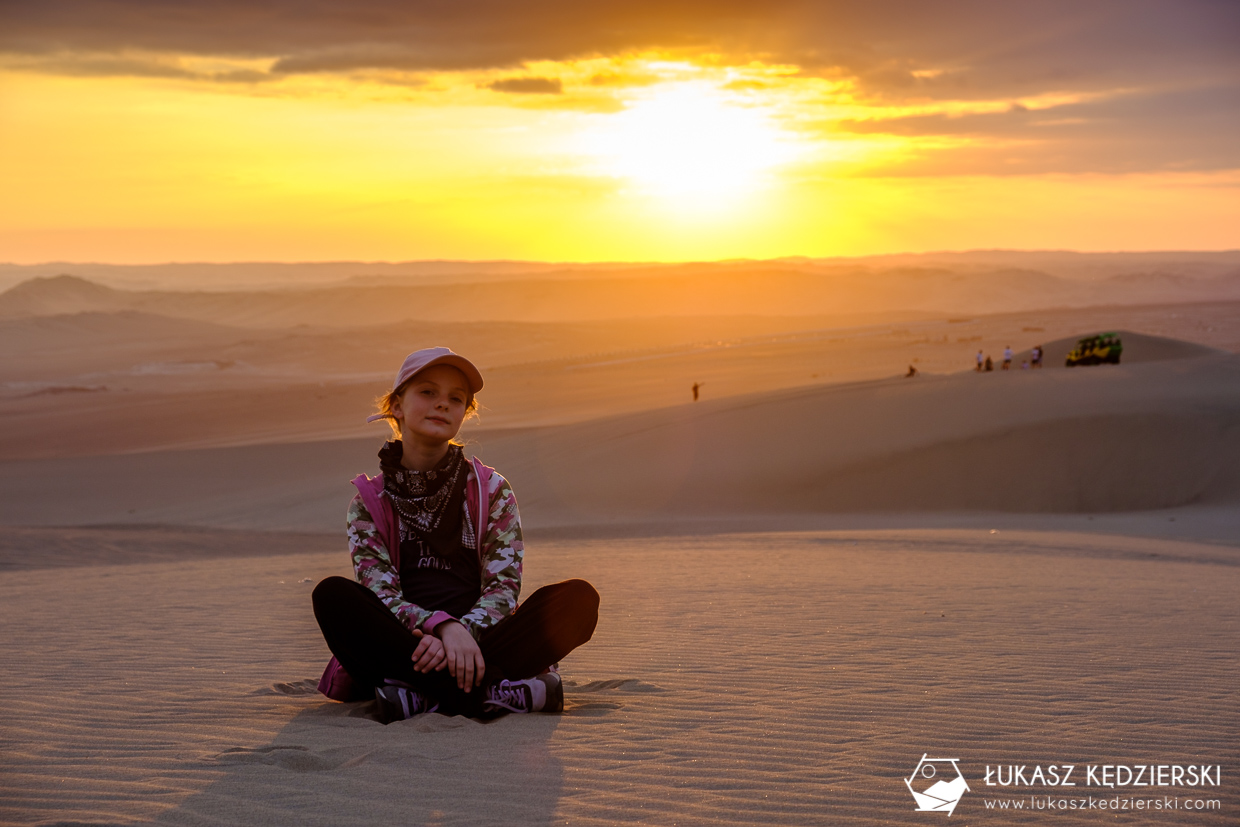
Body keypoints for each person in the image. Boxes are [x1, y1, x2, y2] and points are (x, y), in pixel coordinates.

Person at [312, 347, 599, 722]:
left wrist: (465, 631)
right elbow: (383, 597)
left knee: (577, 599)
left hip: (484, 641)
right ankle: (497, 693)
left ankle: (422, 698)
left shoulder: (491, 489)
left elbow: (503, 588)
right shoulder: (369, 502)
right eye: (428, 392)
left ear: (466, 412)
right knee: (333, 597)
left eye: (456, 398)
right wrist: (440, 628)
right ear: (397, 406)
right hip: (408, 645)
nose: (442, 404)